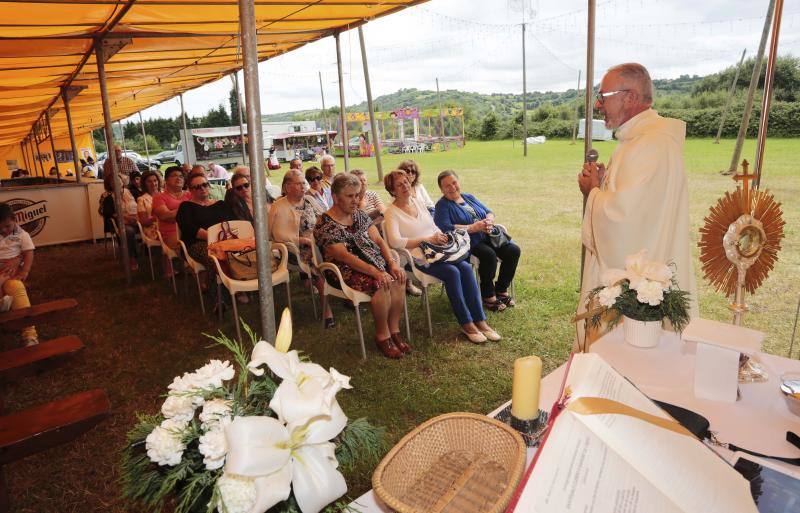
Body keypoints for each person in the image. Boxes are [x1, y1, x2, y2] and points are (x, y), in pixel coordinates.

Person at [577, 62, 698, 345]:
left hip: (642, 293)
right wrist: (604, 184)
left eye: (602, 96)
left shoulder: (652, 143)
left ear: (630, 97)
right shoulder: (637, 140)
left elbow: (625, 220)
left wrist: (592, 192)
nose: (597, 104)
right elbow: (634, 202)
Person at [384, 171, 500, 343]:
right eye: (399, 185)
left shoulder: (417, 202)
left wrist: (439, 235)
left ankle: (480, 321)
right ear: (392, 190)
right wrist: (426, 239)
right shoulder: (391, 212)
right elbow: (394, 241)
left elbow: (433, 226)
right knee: (452, 272)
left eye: (406, 182)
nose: (405, 186)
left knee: (465, 267)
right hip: (415, 258)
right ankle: (467, 324)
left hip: (437, 251)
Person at [313, 173, 409, 359]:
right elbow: (345, 257)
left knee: (398, 279)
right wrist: (377, 272)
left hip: (373, 262)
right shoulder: (324, 225)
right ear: (335, 197)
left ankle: (394, 330)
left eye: (357, 195)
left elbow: (379, 241)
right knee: (381, 285)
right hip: (344, 270)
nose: (355, 200)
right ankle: (382, 336)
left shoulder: (359, 215)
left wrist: (392, 264)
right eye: (350, 196)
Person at [434, 170, 520, 312]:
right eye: (447, 185)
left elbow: (489, 211)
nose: (452, 187)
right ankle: (488, 295)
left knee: (513, 250)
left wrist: (489, 221)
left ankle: (501, 289)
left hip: (488, 236)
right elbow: (445, 227)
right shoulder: (442, 205)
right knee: (488, 255)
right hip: (467, 242)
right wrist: (472, 227)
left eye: (454, 183)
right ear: (441, 189)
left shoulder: (468, 197)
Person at [269, 170, 334, 328]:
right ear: (287, 187)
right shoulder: (278, 206)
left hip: (317, 241)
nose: (304, 186)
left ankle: (347, 291)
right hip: (294, 249)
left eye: (304, 183)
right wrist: (302, 240)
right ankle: (327, 310)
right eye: (299, 184)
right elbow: (277, 234)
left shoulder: (309, 200)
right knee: (317, 263)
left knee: (341, 251)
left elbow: (324, 217)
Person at [176, 173, 234, 290]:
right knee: (215, 259)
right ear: (190, 190)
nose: (202, 188)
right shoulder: (186, 207)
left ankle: (241, 283)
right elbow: (189, 228)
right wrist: (214, 238)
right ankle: (220, 294)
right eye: (197, 187)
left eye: (204, 185)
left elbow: (231, 223)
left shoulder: (221, 204)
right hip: (198, 243)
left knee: (241, 252)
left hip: (225, 240)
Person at [0, 202, 38, 346]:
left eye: (7, 226)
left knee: (16, 287)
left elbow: (29, 252)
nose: (4, 231)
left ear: (14, 219)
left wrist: (24, 271)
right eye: (0, 228)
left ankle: (30, 335)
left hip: (11, 272)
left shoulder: (22, 235)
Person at [100, 171, 140, 271]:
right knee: (128, 232)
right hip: (123, 222)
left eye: (118, 179)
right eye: (113, 181)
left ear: (122, 181)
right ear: (109, 184)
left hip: (138, 219)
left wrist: (137, 217)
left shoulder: (132, 192)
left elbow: (141, 205)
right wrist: (127, 218)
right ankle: (131, 258)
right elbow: (110, 213)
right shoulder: (108, 197)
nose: (117, 182)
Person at [153, 166, 191, 260]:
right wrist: (186, 209)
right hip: (171, 233)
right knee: (189, 248)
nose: (178, 178)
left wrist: (174, 214)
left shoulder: (190, 194)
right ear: (166, 180)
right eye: (174, 175)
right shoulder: (159, 197)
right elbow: (164, 216)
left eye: (181, 176)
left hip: (192, 229)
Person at [137, 170, 162, 241]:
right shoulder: (142, 199)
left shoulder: (164, 194)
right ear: (144, 184)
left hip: (167, 225)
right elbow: (144, 222)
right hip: (152, 229)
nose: (153, 183)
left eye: (155, 180)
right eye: (149, 181)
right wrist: (160, 216)